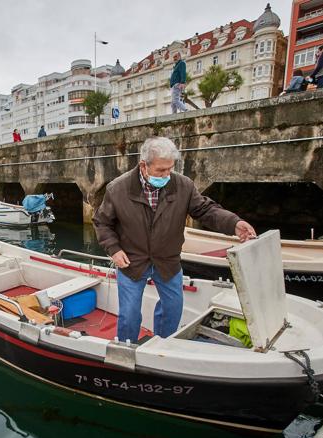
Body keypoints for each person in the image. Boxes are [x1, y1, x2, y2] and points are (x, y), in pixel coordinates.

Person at [93, 137, 256, 342]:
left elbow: (205, 210)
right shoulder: (118, 189)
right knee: (129, 314)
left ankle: (164, 344)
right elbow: (101, 222)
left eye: (170, 169)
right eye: (161, 170)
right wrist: (114, 249)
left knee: (173, 307)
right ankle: (127, 349)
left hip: (167, 260)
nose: (167, 175)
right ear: (144, 166)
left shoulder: (183, 185)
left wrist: (233, 223)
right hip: (131, 261)